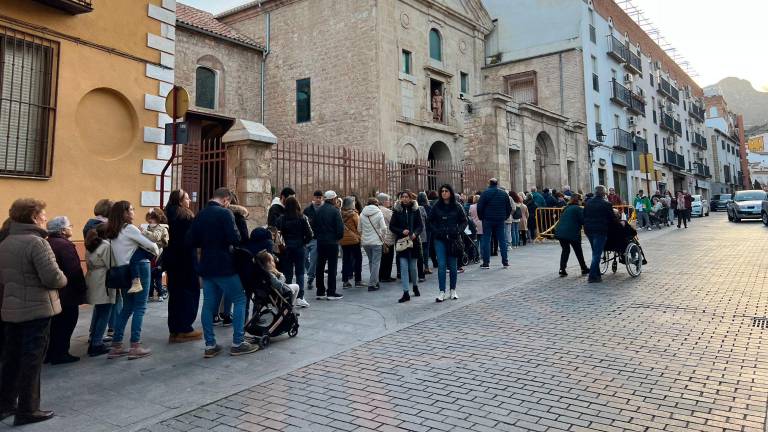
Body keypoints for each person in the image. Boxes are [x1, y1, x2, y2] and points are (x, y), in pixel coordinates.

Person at [0, 198, 66, 426]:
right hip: (37, 309)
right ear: (33, 217)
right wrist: (63, 279)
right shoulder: (37, 243)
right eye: (43, 214)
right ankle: (28, 408)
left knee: (11, 358)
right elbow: (52, 277)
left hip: (12, 308)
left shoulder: (7, 241)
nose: (46, 218)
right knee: (32, 359)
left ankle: (5, 403)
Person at [187, 187, 258, 358]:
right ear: (226, 199)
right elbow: (235, 238)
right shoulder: (225, 214)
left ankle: (210, 345)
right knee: (239, 298)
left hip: (206, 265)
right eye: (229, 202)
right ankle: (238, 342)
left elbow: (191, 239)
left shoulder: (201, 214)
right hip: (224, 265)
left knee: (209, 304)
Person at [105, 201, 160, 360]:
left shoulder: (113, 231)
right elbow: (152, 246)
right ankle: (135, 345)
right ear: (125, 213)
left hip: (123, 270)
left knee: (127, 308)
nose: (133, 211)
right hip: (139, 269)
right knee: (140, 307)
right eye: (131, 209)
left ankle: (116, 346)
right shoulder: (129, 228)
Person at [45, 216, 87, 365]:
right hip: (67, 292)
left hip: (53, 293)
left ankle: (50, 353)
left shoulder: (47, 242)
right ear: (62, 230)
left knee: (55, 325)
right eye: (70, 226)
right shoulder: (65, 245)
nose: (71, 228)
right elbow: (74, 270)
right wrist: (82, 289)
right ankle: (61, 353)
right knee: (67, 323)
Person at [164, 190, 202, 343]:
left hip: (172, 261)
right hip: (186, 260)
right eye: (186, 198)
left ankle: (174, 329)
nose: (189, 201)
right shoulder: (185, 217)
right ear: (180, 201)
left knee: (175, 295)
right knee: (189, 293)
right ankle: (184, 328)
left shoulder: (167, 215)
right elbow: (193, 239)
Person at [428, 184, 467, 302]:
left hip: (453, 239)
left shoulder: (457, 206)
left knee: (453, 266)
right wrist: (436, 231)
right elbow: (430, 221)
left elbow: (464, 221)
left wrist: (457, 231)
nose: (444, 193)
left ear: (450, 192)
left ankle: (453, 290)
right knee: (441, 265)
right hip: (439, 238)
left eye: (446, 191)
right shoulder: (436, 206)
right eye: (442, 191)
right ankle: (441, 291)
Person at [275, 196, 313, 308]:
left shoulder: (281, 219)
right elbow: (310, 234)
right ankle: (300, 297)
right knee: (300, 272)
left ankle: (288, 295)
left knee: (288, 273)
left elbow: (277, 235)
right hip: (299, 248)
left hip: (286, 249)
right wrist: (303, 242)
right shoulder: (302, 218)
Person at [84, 225, 116, 357]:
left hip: (93, 278)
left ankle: (94, 337)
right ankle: (96, 343)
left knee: (99, 310)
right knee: (105, 312)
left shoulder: (91, 245)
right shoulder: (106, 246)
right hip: (103, 280)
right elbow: (112, 264)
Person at [390, 191, 423, 303]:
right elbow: (392, 226)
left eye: (406, 197)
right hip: (402, 242)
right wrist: (401, 231)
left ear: (410, 198)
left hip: (413, 242)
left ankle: (415, 285)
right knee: (404, 267)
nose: (404, 199)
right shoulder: (397, 210)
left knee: (413, 267)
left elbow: (420, 225)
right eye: (402, 197)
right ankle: (405, 292)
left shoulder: (415, 209)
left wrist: (415, 233)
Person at [314, 191, 345, 300]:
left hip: (321, 242)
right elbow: (340, 229)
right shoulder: (335, 211)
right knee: (332, 267)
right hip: (332, 242)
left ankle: (320, 291)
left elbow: (314, 227)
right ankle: (331, 292)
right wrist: (336, 238)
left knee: (320, 266)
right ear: (333, 199)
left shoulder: (318, 210)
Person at [477, 178, 512, 269]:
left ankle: (486, 263)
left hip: (487, 219)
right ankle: (505, 262)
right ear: (497, 183)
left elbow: (479, 207)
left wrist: (481, 217)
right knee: (502, 240)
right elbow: (509, 208)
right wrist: (505, 216)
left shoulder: (485, 193)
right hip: (500, 219)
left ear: (489, 183)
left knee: (486, 240)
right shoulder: (503, 194)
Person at [583, 186, 614, 283]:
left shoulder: (588, 203)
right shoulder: (606, 204)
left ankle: (597, 275)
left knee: (595, 253)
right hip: (600, 231)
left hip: (589, 230)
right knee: (597, 254)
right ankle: (592, 276)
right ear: (604, 194)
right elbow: (611, 218)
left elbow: (584, 215)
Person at [554, 194, 590, 277]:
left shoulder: (566, 207)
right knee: (578, 251)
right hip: (572, 233)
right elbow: (583, 221)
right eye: (581, 200)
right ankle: (583, 268)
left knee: (565, 250)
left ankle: (562, 269)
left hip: (560, 232)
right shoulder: (578, 208)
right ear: (578, 200)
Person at [358, 197, 387, 291]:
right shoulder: (379, 213)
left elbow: (359, 229)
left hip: (366, 242)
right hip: (376, 242)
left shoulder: (362, 214)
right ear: (376, 204)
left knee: (371, 261)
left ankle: (375, 281)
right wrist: (383, 236)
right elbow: (384, 228)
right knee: (376, 262)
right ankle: (372, 284)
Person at [141, 208, 169, 302]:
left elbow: (155, 237)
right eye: (148, 218)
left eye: (151, 218)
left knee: (158, 278)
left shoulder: (162, 228)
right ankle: (150, 294)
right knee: (149, 277)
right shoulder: (150, 227)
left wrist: (143, 232)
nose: (149, 220)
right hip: (151, 254)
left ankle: (160, 294)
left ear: (156, 218)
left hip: (159, 255)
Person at [340, 196, 363, 288]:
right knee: (358, 259)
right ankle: (358, 280)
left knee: (346, 260)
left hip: (344, 240)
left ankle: (345, 281)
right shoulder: (354, 214)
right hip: (354, 240)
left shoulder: (340, 213)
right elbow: (359, 227)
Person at [303, 190, 323, 289]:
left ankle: (310, 277)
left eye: (320, 197)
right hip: (306, 238)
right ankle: (311, 272)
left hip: (317, 238)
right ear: (314, 198)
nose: (318, 199)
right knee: (304, 257)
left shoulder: (324, 209)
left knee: (314, 259)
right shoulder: (307, 210)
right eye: (317, 197)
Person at [376, 193, 396, 283]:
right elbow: (393, 222)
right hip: (387, 237)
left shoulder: (375, 210)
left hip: (377, 237)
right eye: (388, 200)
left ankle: (380, 275)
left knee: (381, 259)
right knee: (388, 258)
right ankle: (386, 276)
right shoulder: (387, 211)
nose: (389, 202)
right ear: (383, 201)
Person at [416, 192, 432, 279]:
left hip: (418, 231)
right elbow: (431, 219)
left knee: (418, 249)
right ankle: (426, 267)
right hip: (427, 230)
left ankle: (419, 267)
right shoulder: (428, 207)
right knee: (426, 249)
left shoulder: (416, 207)